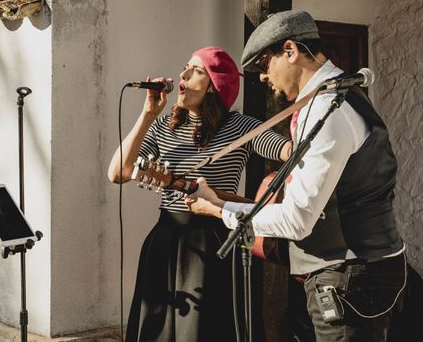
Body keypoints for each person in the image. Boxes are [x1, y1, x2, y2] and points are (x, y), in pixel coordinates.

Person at [187, 10, 406, 342]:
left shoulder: (328, 109)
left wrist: (218, 209)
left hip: (348, 278)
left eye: (264, 65)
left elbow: (297, 220)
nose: (262, 77)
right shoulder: (335, 99)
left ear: (290, 51)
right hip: (363, 269)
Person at [107, 46, 292, 342]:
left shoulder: (240, 126)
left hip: (216, 239)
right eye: (185, 67)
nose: (182, 74)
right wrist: (146, 114)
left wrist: (286, 195)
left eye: (196, 70)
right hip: (166, 239)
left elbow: (289, 151)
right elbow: (117, 172)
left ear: (213, 86)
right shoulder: (164, 126)